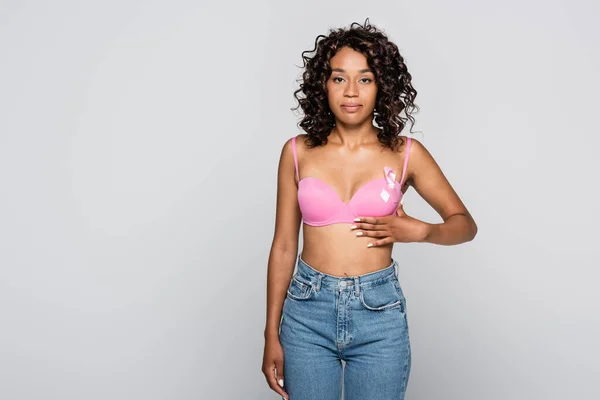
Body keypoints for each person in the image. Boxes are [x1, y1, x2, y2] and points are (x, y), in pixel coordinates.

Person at [262, 19, 477, 400]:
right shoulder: (296, 152)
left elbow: (464, 225)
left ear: (382, 87)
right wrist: (270, 333)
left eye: (365, 79)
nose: (351, 91)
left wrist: (422, 231)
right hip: (306, 312)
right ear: (322, 85)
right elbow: (282, 246)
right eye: (338, 78)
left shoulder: (406, 153)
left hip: (378, 312)